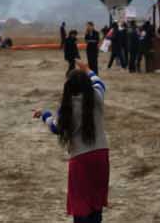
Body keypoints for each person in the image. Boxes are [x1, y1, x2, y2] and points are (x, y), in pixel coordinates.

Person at [33, 60, 108, 223]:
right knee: (96, 201)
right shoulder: (96, 97)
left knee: (81, 204)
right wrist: (87, 69)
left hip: (81, 159)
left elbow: (55, 128)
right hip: (101, 155)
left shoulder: (67, 108)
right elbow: (99, 82)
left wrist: (45, 115)